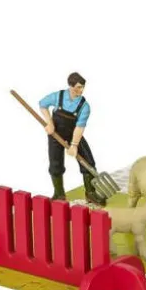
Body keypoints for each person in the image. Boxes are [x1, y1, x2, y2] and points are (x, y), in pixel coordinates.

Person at [38, 72, 103, 204]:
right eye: (78, 87)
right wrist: (50, 123)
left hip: (73, 135)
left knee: (88, 162)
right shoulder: (58, 96)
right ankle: (59, 194)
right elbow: (42, 104)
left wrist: (74, 145)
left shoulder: (84, 106)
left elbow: (79, 127)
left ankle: (90, 193)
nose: (81, 90)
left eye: (83, 87)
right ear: (71, 86)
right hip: (55, 134)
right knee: (55, 164)